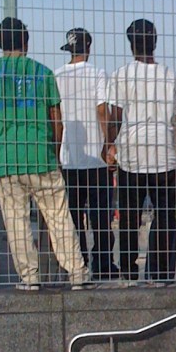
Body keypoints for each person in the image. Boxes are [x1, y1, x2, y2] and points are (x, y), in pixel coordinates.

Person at [0, 16, 94, 291]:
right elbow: (56, 119)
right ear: (26, 42)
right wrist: (54, 150)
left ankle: (29, 278)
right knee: (59, 217)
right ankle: (77, 273)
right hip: (40, 156)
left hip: (4, 160)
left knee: (16, 221)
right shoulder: (43, 73)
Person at [103, 19, 176, 285]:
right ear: (155, 41)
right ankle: (160, 275)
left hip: (132, 156)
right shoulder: (170, 75)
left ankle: (128, 272)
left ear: (131, 45)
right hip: (164, 156)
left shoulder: (121, 74)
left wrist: (109, 145)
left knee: (129, 217)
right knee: (164, 217)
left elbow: (115, 116)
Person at [55, 28, 119, 280]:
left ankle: (76, 263)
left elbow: (55, 116)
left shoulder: (57, 75)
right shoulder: (97, 74)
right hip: (96, 158)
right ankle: (103, 263)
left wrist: (55, 148)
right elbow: (103, 110)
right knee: (100, 216)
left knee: (72, 217)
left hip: (69, 157)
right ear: (89, 47)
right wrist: (109, 143)